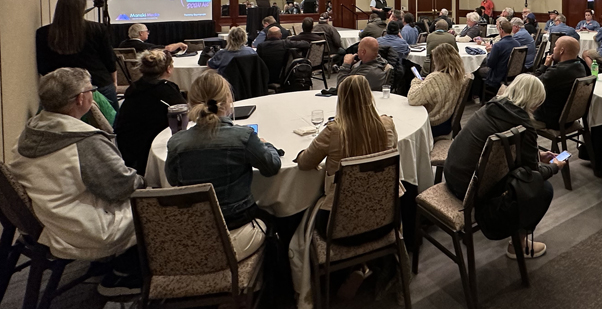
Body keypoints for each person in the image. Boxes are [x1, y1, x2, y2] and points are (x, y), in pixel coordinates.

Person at [7, 68, 145, 295]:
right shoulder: (84, 142)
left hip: (48, 216)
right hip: (82, 228)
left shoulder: (31, 129)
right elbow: (122, 187)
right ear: (81, 98)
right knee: (154, 206)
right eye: (91, 90)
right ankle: (123, 275)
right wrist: (144, 179)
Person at [445, 74, 566, 258]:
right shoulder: (524, 124)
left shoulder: (492, 106)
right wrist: (555, 166)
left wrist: (537, 155)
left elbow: (503, 150)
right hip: (471, 191)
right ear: (534, 101)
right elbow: (532, 175)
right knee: (542, 189)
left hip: (453, 174)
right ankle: (519, 244)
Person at [166, 72, 282, 262]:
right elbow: (272, 167)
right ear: (228, 101)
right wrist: (266, 144)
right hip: (238, 226)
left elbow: (172, 180)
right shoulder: (243, 136)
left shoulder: (176, 142)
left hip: (194, 230)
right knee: (280, 217)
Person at [297, 75, 397, 242]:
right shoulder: (387, 124)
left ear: (341, 100)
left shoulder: (334, 131)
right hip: (385, 218)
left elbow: (305, 163)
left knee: (298, 215)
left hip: (339, 227)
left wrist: (301, 153)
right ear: (369, 96)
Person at [36, 0, 119, 109]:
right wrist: (114, 82)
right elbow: (109, 60)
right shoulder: (97, 29)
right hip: (98, 84)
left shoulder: (43, 33)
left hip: (61, 91)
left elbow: (43, 68)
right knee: (111, 125)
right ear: (81, 8)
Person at [114, 49, 186, 174]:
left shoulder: (133, 88)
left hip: (127, 149)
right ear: (168, 69)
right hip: (150, 150)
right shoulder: (168, 91)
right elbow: (184, 115)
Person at [408, 43, 467, 137]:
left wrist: (416, 81)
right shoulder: (459, 76)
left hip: (432, 124)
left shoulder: (436, 78)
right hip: (446, 121)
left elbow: (412, 98)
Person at [533, 36, 588, 129]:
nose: (553, 49)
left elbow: (532, 85)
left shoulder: (557, 72)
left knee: (513, 111)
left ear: (561, 51)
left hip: (550, 119)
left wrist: (545, 66)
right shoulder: (580, 66)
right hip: (568, 118)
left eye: (555, 46)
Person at [471, 20, 516, 98]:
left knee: (477, 69)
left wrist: (489, 52)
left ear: (501, 30)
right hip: (512, 73)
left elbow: (490, 64)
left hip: (498, 74)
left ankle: (476, 95)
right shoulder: (517, 43)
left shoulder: (498, 45)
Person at [118, 24, 188, 54]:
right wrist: (179, 44)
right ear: (141, 33)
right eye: (147, 31)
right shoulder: (143, 46)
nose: (148, 33)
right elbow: (167, 49)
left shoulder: (122, 45)